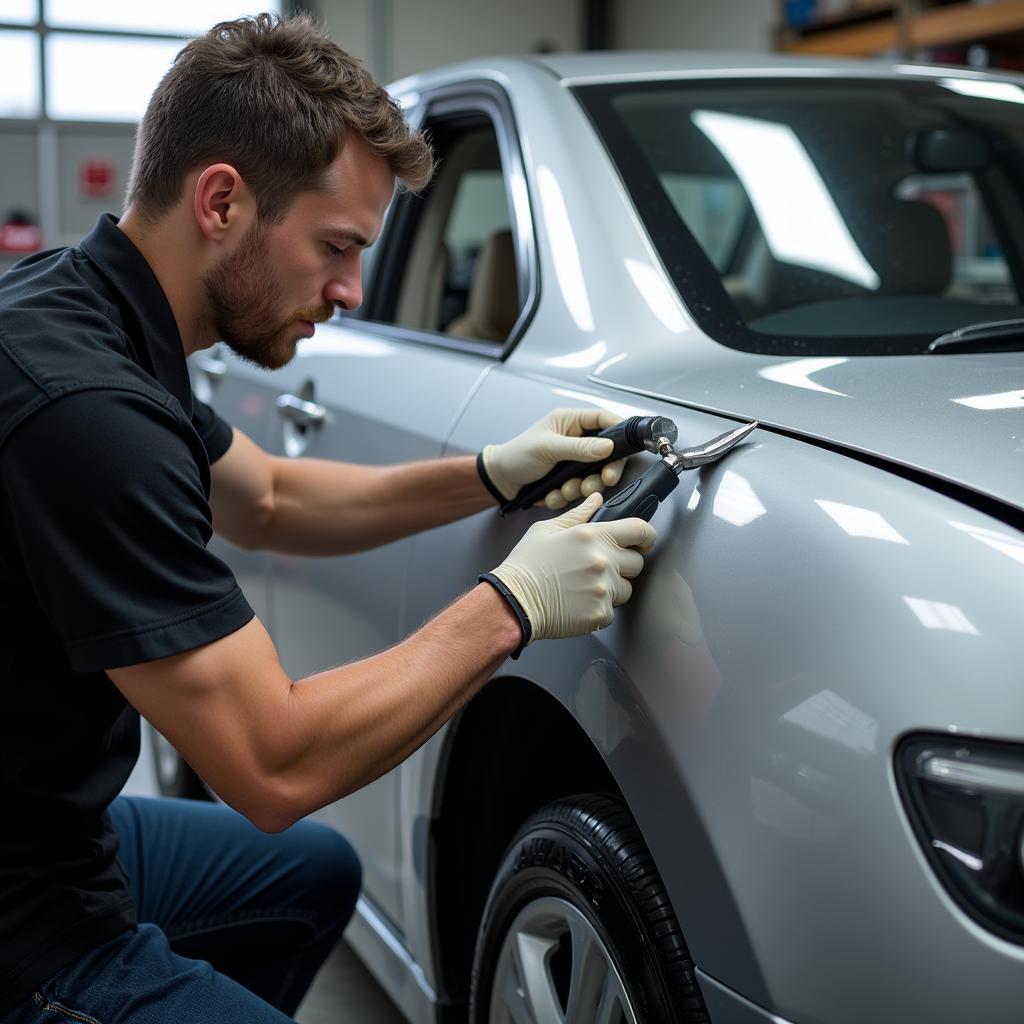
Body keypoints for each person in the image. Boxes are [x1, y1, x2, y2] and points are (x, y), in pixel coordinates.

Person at [0, 14, 655, 1023]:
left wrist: (490, 474)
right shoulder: (85, 411)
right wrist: (511, 606)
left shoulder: (89, 307)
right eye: (335, 246)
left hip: (49, 829)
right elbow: (273, 763)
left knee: (307, 876)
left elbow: (265, 498)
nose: (350, 291)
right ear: (222, 200)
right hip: (22, 913)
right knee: (283, 828)